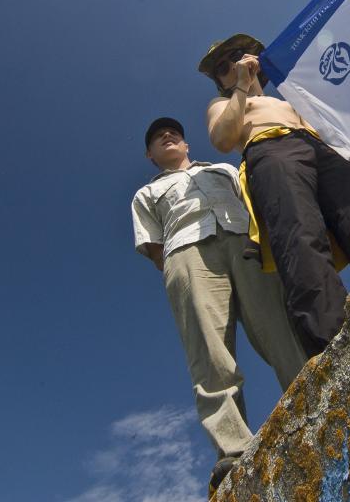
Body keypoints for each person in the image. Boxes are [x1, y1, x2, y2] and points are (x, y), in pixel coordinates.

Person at [130, 117, 307, 495]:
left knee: (278, 325)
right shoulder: (145, 195)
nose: (167, 135)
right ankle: (233, 447)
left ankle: (310, 395)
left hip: (243, 239)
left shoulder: (224, 169)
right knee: (209, 351)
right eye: (157, 137)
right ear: (150, 155)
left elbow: (253, 200)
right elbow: (153, 246)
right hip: (186, 250)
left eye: (173, 132)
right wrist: (184, 266)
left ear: (187, 143)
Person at [200, 34, 350, 358]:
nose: (232, 64)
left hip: (315, 146)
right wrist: (241, 88)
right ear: (220, 80)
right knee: (300, 236)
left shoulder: (290, 101)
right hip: (268, 149)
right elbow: (222, 138)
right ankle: (333, 345)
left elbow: (327, 136)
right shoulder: (222, 103)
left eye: (237, 55)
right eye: (223, 66)